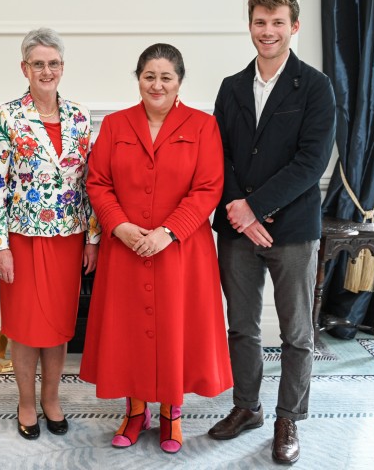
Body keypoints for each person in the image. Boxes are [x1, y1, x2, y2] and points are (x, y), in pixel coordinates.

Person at [80, 43, 233, 454]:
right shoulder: (115, 125)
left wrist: (168, 231)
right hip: (126, 249)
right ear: (138, 79)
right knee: (129, 331)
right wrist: (121, 226)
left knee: (174, 329)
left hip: (180, 251)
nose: (157, 84)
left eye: (166, 77)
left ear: (179, 82)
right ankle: (134, 412)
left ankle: (171, 414)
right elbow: (97, 182)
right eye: (149, 76)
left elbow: (208, 188)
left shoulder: (203, 126)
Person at [208, 0, 335, 465]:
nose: (268, 31)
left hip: (294, 229)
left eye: (277, 22)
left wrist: (255, 208)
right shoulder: (231, 86)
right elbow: (218, 155)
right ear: (251, 26)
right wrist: (238, 208)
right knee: (241, 327)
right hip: (237, 229)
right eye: (261, 22)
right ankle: (248, 407)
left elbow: (310, 162)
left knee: (297, 333)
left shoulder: (316, 87)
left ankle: (287, 419)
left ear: (293, 27)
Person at [0, 27, 100, 440]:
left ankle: (51, 399)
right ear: (25, 68)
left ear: (62, 68)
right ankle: (27, 403)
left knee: (57, 326)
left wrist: (92, 238)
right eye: (38, 64)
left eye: (53, 63)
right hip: (22, 239)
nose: (46, 71)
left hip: (69, 239)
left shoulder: (81, 117)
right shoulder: (8, 115)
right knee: (24, 325)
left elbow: (92, 184)